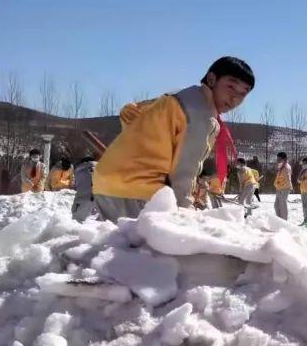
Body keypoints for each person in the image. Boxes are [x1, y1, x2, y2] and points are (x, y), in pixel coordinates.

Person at [93, 57, 254, 222]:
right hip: (142, 190)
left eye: (243, 93)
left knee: (118, 245)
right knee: (154, 245)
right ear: (212, 79)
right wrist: (182, 212)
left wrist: (139, 145)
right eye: (231, 86)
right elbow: (184, 170)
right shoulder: (200, 114)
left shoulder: (178, 97)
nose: (235, 98)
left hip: (105, 181)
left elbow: (129, 113)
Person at [71, 156, 97, 221]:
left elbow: (77, 185)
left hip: (79, 197)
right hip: (91, 198)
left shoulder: (78, 170)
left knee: (76, 219)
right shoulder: (97, 169)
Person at [273, 151, 292, 221]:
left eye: (280, 159)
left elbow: (287, 178)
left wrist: (288, 187)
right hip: (279, 188)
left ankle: (284, 220)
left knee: (282, 205)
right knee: (276, 205)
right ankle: (279, 219)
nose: (278, 161)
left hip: (284, 188)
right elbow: (278, 177)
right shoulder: (281, 166)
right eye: (277, 159)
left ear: (285, 159)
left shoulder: (286, 167)